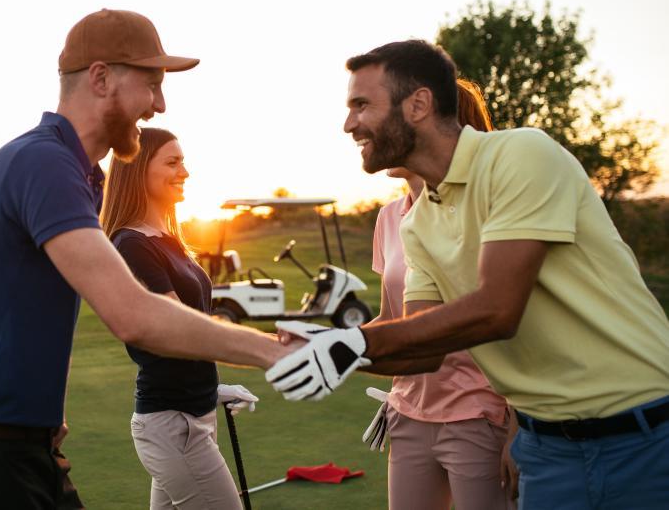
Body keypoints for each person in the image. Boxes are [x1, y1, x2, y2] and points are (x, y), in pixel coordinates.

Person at [0, 9, 294, 510]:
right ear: (100, 77)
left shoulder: (74, 173)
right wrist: (272, 351)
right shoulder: (44, 163)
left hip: (16, 448)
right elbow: (133, 315)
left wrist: (42, 418)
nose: (158, 104)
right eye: (151, 85)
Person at [266, 39, 669, 509]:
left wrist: (355, 345)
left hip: (645, 435)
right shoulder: (417, 223)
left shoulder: (520, 154)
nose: (349, 123)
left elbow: (498, 310)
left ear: (418, 104)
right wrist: (327, 344)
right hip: (548, 451)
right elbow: (422, 348)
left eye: (361, 105)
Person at [368, 79, 516, 510]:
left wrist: (518, 427)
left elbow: (512, 324)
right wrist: (326, 345)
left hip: (478, 412)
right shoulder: (388, 218)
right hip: (408, 412)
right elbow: (390, 320)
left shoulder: (486, 213)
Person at [101, 127, 259, 510]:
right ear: (138, 171)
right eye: (172, 162)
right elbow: (177, 331)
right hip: (173, 426)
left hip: (192, 417)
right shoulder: (132, 244)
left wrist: (212, 388)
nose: (184, 172)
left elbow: (187, 338)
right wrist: (267, 349)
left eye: (183, 162)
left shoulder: (169, 240)